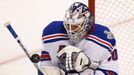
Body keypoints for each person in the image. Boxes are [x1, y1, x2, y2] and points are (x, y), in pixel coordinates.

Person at [38, 2, 118, 75]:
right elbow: (46, 61)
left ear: (87, 24)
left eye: (75, 26)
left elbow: (111, 72)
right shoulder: (52, 33)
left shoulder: (103, 39)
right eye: (68, 25)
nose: (71, 30)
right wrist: (46, 71)